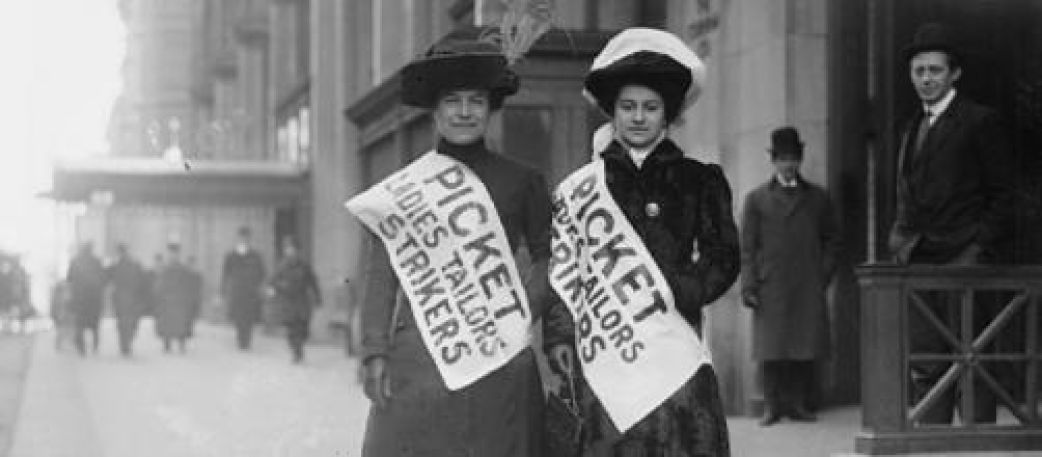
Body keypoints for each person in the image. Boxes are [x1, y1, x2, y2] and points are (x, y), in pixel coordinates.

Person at [345, 31, 552, 457]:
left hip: (498, 354)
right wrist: (373, 353)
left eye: (476, 101)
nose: (464, 112)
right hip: (421, 359)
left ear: (491, 109)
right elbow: (379, 278)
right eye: (452, 101)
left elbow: (551, 258)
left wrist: (516, 312)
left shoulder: (523, 181)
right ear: (435, 111)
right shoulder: (401, 191)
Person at [544, 28, 739, 456]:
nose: (638, 117)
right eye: (627, 107)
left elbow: (724, 256)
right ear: (612, 112)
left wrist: (682, 290)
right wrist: (559, 337)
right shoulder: (582, 188)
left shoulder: (697, 179)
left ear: (667, 114)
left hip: (675, 345)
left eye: (650, 108)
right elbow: (563, 270)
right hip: (606, 353)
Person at [887, 23, 1016, 424]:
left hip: (966, 261)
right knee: (927, 361)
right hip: (919, 260)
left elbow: (1005, 195)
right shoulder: (912, 129)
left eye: (935, 71)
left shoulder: (980, 121)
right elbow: (907, 193)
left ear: (954, 73)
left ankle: (977, 447)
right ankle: (932, 443)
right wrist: (900, 241)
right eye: (919, 71)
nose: (926, 79)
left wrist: (978, 251)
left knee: (972, 360)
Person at [740, 126, 841, 426]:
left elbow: (833, 241)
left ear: (800, 160)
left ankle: (798, 404)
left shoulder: (817, 198)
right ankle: (772, 406)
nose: (788, 164)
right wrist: (749, 284)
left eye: (793, 158)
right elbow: (747, 246)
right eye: (782, 158)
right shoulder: (756, 199)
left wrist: (822, 275)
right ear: (773, 161)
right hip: (771, 282)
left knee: (803, 346)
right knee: (772, 348)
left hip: (806, 281)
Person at [267, 236, 321, 363]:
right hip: (287, 302)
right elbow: (272, 281)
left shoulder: (304, 265)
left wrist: (318, 297)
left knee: (303, 328)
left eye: (293, 248)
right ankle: (296, 352)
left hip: (302, 301)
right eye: (288, 248)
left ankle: (299, 347)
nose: (290, 251)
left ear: (298, 250)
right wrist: (280, 286)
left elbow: (313, 282)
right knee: (292, 328)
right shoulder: (282, 266)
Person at [220, 226, 266, 350]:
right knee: (239, 317)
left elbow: (262, 273)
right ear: (238, 239)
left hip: (251, 292)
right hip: (237, 291)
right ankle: (241, 338)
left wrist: (259, 286)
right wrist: (222, 291)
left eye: (246, 238)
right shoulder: (231, 255)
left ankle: (247, 339)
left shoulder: (256, 255)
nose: (244, 240)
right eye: (241, 237)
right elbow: (225, 274)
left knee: (249, 317)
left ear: (249, 239)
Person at [154, 243, 202, 353]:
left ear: (178, 254)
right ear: (168, 254)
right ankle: (167, 344)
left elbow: (188, 285)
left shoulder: (183, 269)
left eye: (175, 253)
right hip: (167, 301)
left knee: (181, 322)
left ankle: (181, 343)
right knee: (166, 323)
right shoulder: (165, 269)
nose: (173, 256)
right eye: (171, 253)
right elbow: (160, 285)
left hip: (179, 301)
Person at [107, 244, 150, 356]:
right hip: (132, 298)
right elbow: (144, 281)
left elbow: (106, 279)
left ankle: (125, 344)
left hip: (122, 299)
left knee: (123, 323)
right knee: (131, 322)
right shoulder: (135, 265)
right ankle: (126, 343)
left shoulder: (116, 266)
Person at [66, 242, 107, 355]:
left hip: (79, 299)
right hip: (94, 299)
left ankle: (81, 348)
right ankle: (95, 347)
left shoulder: (75, 262)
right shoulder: (97, 261)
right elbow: (103, 279)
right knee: (95, 325)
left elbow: (69, 279)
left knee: (79, 325)